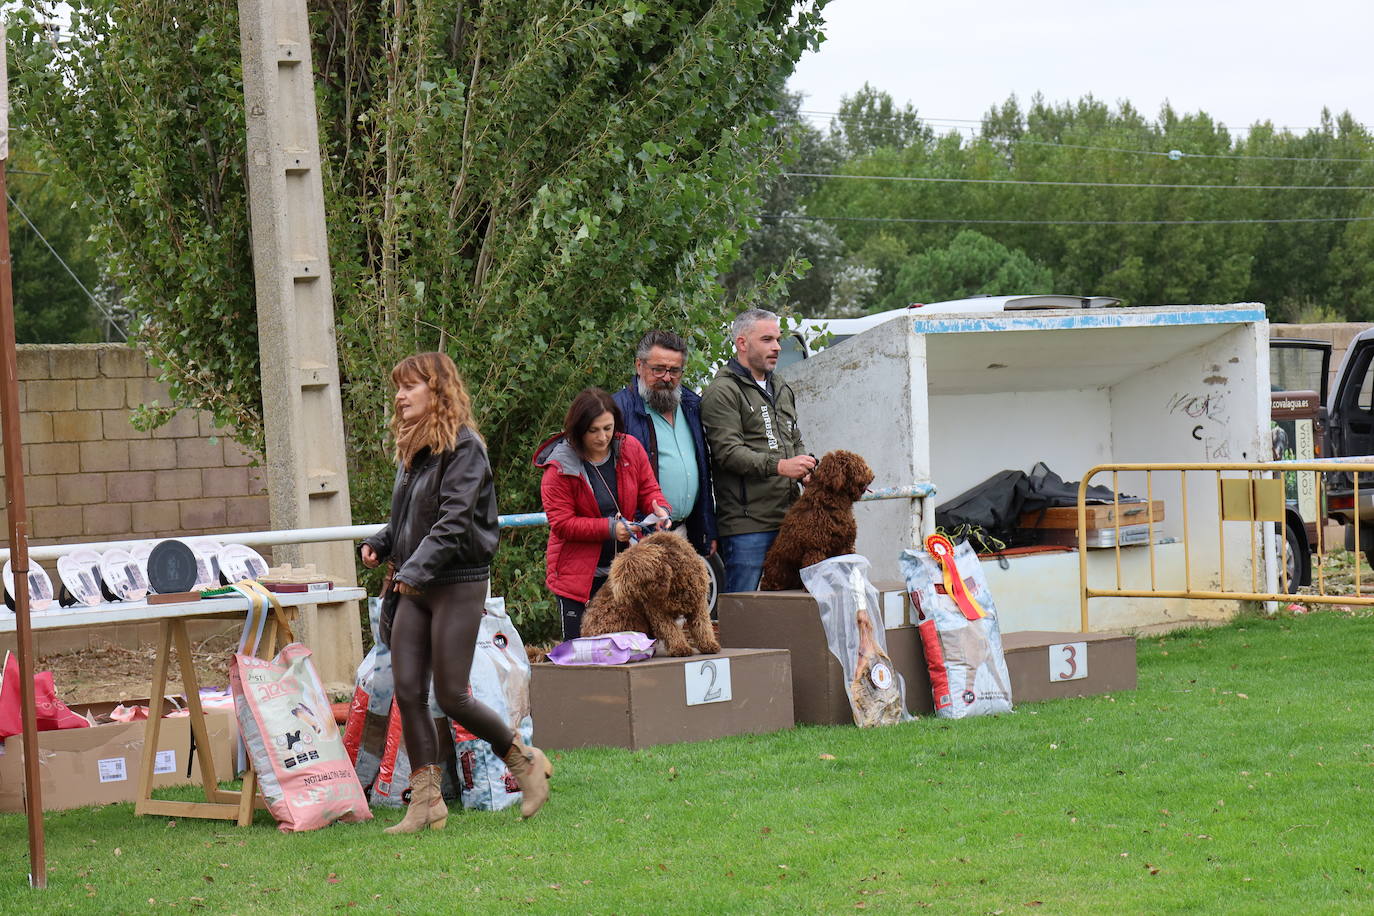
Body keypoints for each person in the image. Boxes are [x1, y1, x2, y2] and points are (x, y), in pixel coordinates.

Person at [360, 352, 551, 833]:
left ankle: (525, 763)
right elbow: (407, 519)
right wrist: (381, 543)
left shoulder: (466, 448)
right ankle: (425, 803)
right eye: (398, 388)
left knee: (450, 694)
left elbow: (452, 523)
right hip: (414, 579)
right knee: (407, 690)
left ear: (438, 390)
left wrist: (414, 570)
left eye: (410, 387)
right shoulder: (415, 449)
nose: (399, 396)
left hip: (457, 582)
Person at [533, 387, 671, 639]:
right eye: (593, 430)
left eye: (608, 428)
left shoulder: (630, 448)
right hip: (577, 579)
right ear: (578, 430)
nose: (602, 437)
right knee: (581, 654)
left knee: (629, 649)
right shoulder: (558, 468)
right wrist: (608, 529)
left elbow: (649, 489)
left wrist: (659, 509)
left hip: (623, 573)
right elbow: (562, 523)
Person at [700, 309, 814, 593]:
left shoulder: (780, 385)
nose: (776, 347)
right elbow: (728, 452)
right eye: (767, 339)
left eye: (777, 339)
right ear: (742, 343)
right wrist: (781, 466)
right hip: (746, 527)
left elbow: (794, 438)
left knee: (789, 611)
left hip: (790, 518)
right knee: (744, 615)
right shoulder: (723, 391)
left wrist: (807, 470)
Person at [612, 329, 717, 558]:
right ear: (639, 366)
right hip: (641, 537)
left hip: (685, 531)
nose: (667, 378)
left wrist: (707, 528)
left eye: (674, 371)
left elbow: (703, 469)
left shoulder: (692, 405)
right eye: (658, 369)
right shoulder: (618, 411)